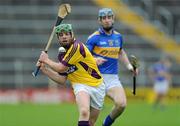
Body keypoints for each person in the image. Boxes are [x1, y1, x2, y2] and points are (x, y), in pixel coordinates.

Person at [36, 24, 105, 126]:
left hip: (98, 86)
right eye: (61, 35)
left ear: (72, 35)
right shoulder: (62, 54)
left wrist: (46, 60)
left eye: (67, 34)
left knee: (91, 122)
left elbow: (61, 68)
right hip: (80, 85)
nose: (64, 36)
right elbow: (62, 79)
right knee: (84, 112)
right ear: (58, 38)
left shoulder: (77, 47)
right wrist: (44, 69)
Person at [86, 8, 138, 126]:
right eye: (103, 18)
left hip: (112, 78)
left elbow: (120, 52)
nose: (107, 20)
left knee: (121, 104)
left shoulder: (118, 37)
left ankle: (106, 123)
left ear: (113, 19)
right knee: (91, 121)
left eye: (109, 17)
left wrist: (130, 66)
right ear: (99, 21)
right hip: (96, 79)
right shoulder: (93, 37)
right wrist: (94, 59)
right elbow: (83, 57)